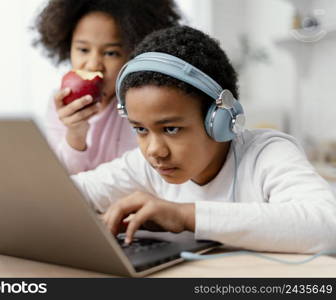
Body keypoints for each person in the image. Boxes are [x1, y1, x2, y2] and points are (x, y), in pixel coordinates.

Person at [71, 25, 336, 253]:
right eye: (140, 129)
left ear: (219, 120)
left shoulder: (267, 154)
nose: (154, 150)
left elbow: (327, 225)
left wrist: (184, 215)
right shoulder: (143, 166)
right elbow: (66, 195)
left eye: (171, 129)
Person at [33, 0, 181, 174]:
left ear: (133, 53)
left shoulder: (140, 107)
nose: (93, 65)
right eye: (83, 50)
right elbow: (62, 181)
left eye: (110, 53)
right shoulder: (59, 103)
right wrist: (75, 134)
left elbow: (138, 176)